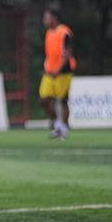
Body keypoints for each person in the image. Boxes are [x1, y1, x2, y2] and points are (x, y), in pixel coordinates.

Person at [39, 9, 76, 140]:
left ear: (54, 18)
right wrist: (48, 67)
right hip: (49, 73)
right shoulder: (49, 33)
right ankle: (58, 125)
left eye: (47, 17)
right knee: (43, 100)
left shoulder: (64, 32)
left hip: (63, 73)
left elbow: (68, 53)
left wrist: (58, 70)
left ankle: (64, 129)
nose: (44, 20)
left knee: (63, 100)